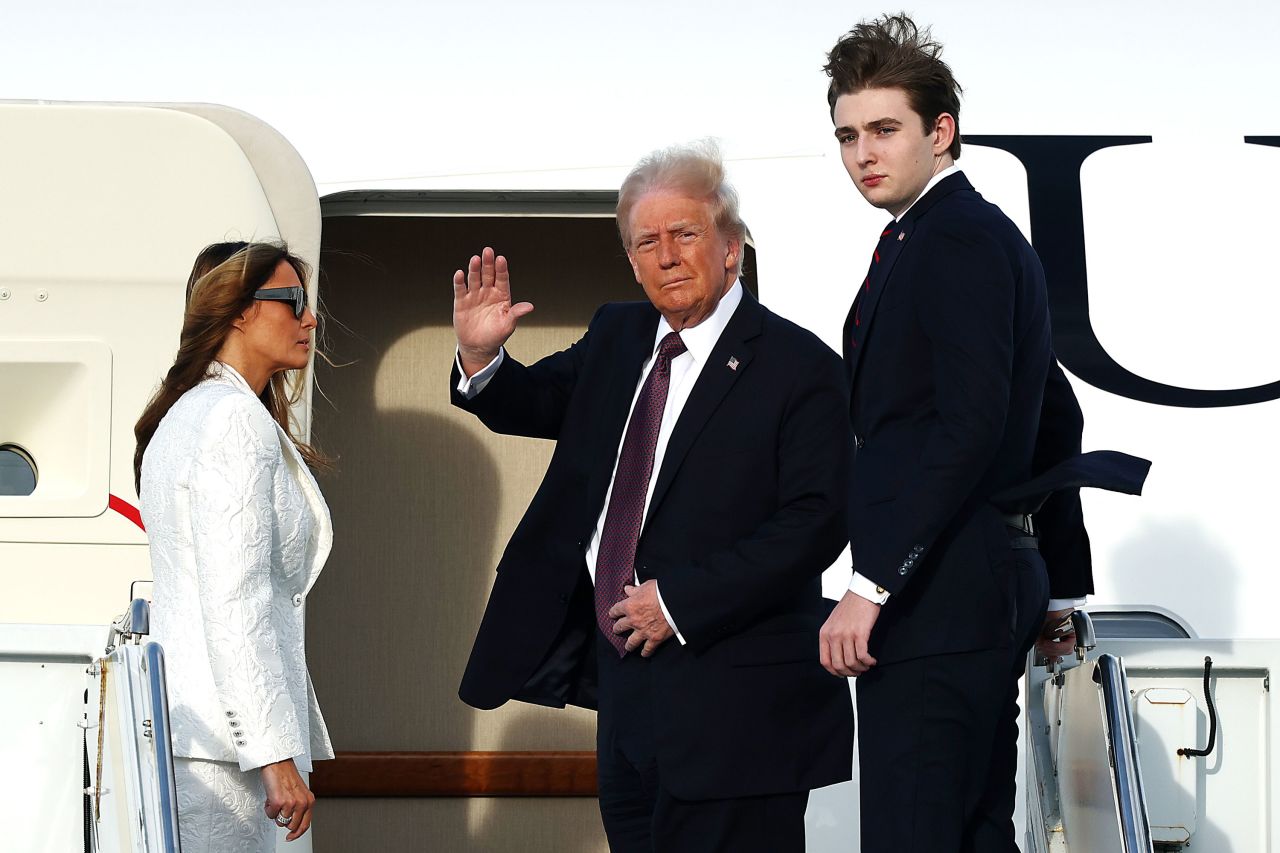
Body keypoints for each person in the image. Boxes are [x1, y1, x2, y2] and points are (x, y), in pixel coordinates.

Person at [450, 142, 854, 852]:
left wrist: (680, 600)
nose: (666, 255)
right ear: (631, 262)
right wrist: (483, 359)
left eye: (685, 234)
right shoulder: (618, 334)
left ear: (731, 248)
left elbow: (817, 522)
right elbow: (537, 401)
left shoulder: (800, 366)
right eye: (646, 241)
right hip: (629, 701)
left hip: (739, 713)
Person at [817, 14, 1099, 853]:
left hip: (939, 589)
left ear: (941, 133)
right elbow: (1055, 410)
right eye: (846, 135)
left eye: (883, 129)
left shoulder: (955, 239)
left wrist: (870, 583)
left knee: (917, 833)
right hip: (978, 580)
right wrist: (1059, 584)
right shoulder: (944, 235)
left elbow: (969, 428)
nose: (863, 152)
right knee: (969, 834)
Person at [135, 242, 333, 852]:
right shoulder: (231, 421)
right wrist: (273, 756)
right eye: (292, 301)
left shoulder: (186, 413)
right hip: (231, 756)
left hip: (199, 741)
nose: (311, 319)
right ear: (239, 312)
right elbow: (234, 600)